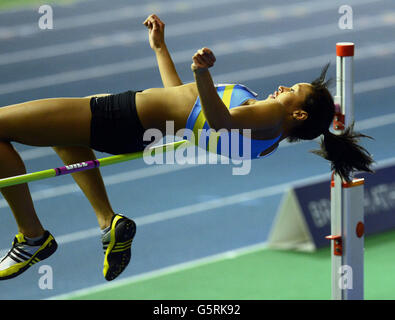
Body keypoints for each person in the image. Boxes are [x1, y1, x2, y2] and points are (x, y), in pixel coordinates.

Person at [0, 14, 373, 281]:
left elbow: (219, 119)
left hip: (122, 116)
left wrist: (203, 73)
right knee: (63, 138)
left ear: (299, 114)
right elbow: (183, 100)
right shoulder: (267, 137)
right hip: (131, 122)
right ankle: (107, 223)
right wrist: (161, 49)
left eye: (292, 91)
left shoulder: (272, 115)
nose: (282, 89)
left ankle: (32, 237)